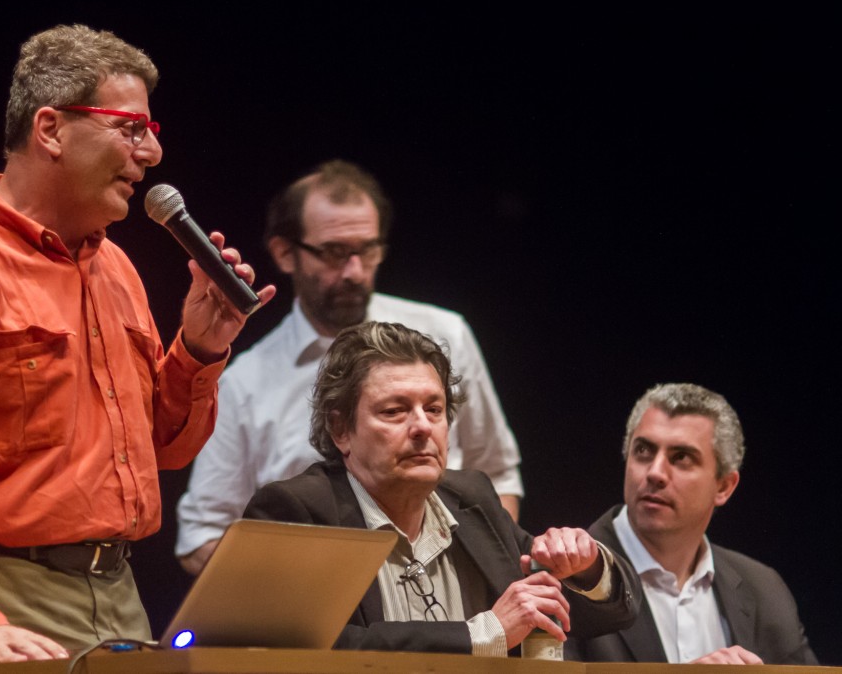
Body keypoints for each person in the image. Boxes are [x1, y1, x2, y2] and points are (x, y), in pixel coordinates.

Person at [0, 24, 274, 673]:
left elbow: (165, 448)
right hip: (0, 599)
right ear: (49, 129)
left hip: (119, 596)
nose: (152, 154)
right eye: (131, 129)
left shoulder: (118, 270)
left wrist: (199, 349)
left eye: (152, 133)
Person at [176, 159, 523, 575]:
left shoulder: (445, 334)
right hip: (320, 622)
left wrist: (485, 578)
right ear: (285, 253)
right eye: (335, 253)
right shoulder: (244, 383)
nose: (355, 272)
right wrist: (300, 590)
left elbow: (497, 475)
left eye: (368, 250)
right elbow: (202, 534)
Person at [242, 321, 639, 655]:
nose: (422, 427)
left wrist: (587, 569)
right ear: (341, 430)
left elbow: (586, 614)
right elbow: (307, 646)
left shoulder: (472, 498)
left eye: (433, 409)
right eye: (394, 411)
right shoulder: (298, 509)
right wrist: (484, 634)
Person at [564, 383, 818, 665]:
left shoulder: (764, 588)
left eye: (681, 457)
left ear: (723, 486)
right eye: (644, 451)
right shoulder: (570, 577)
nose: (655, 473)